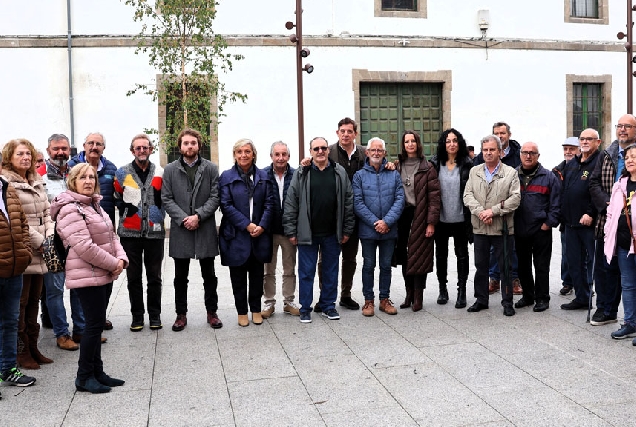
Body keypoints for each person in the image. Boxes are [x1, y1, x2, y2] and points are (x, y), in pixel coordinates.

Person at [51, 163, 128, 394]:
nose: (88, 181)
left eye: (92, 177)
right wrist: (114, 263)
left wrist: (122, 258)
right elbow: (84, 247)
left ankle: (98, 372)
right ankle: (83, 377)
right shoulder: (69, 209)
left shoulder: (94, 204)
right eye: (82, 177)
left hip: (103, 274)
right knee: (92, 328)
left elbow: (112, 235)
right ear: (73, 181)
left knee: (96, 326)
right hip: (87, 276)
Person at [283, 137, 354, 323]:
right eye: (316, 148)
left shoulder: (339, 172)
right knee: (306, 272)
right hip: (307, 233)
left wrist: (347, 229)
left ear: (328, 150)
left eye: (323, 148)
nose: (320, 151)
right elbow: (291, 203)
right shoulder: (302, 173)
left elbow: (348, 201)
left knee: (331, 271)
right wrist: (291, 231)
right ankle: (305, 308)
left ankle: (328, 306)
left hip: (332, 233)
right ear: (311, 151)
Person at [162, 128, 223, 331]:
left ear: (199, 145)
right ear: (180, 146)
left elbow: (215, 197)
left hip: (204, 227)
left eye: (193, 143)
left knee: (209, 275)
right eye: (186, 143)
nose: (190, 146)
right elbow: (166, 198)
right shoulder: (170, 170)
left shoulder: (211, 168)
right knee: (180, 276)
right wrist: (183, 219)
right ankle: (181, 314)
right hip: (181, 229)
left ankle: (212, 312)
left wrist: (198, 216)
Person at [1, 139, 54, 370]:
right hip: (23, 249)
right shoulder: (7, 183)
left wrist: (50, 236)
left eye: (28, 154)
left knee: (35, 300)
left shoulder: (37, 181)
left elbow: (48, 212)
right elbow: (18, 218)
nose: (26, 158)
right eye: (20, 154)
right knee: (20, 303)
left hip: (42, 250)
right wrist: (40, 241)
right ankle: (21, 352)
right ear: (9, 158)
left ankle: (33, 346)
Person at [463, 135, 520, 317]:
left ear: (500, 152)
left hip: (502, 228)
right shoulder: (475, 171)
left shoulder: (510, 172)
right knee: (481, 266)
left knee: (505, 267)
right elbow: (467, 195)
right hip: (480, 226)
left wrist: (493, 211)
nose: (488, 153)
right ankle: (481, 300)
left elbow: (515, 198)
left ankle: (507, 302)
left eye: (492, 150)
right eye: (485, 150)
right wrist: (480, 211)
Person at [219, 139, 274, 327]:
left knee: (258, 277)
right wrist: (247, 225)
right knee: (238, 278)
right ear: (235, 154)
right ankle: (242, 312)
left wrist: (262, 225)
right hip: (236, 236)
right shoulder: (226, 177)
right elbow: (225, 205)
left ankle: (256, 310)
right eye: (240, 151)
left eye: (247, 151)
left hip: (259, 235)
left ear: (253, 154)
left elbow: (270, 203)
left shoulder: (263, 176)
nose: (243, 155)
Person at [114, 134, 166, 332]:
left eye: (145, 147)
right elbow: (118, 196)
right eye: (138, 148)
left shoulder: (161, 172)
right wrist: (129, 214)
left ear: (151, 149)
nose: (142, 151)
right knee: (133, 277)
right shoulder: (122, 173)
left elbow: (166, 197)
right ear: (132, 151)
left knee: (154, 276)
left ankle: (155, 315)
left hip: (155, 232)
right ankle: (137, 316)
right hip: (130, 233)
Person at [68, 132, 117, 331]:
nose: (94, 147)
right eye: (91, 143)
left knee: (106, 277)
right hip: (80, 229)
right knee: (82, 278)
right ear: (84, 145)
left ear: (103, 147)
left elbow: (117, 197)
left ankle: (98, 317)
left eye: (98, 144)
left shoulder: (112, 168)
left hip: (104, 229)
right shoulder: (72, 166)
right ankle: (82, 325)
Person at [589, 115, 636, 326]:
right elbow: (593, 182)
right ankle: (607, 309)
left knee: (626, 274)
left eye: (627, 126)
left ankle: (630, 318)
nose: (622, 130)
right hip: (608, 221)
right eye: (619, 126)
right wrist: (607, 203)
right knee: (605, 267)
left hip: (632, 223)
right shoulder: (606, 153)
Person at [41, 134, 84, 351]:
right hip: (53, 241)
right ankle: (61, 334)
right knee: (55, 290)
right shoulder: (40, 176)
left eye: (64, 149)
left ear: (70, 150)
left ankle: (80, 331)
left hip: (76, 239)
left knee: (77, 286)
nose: (61, 152)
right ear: (48, 150)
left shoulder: (75, 173)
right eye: (56, 148)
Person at [353, 137, 404, 316]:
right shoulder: (359, 175)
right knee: (368, 265)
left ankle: (384, 299)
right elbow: (357, 203)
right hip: (368, 231)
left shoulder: (393, 174)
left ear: (384, 153)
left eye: (379, 150)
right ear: (367, 153)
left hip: (389, 230)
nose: (376, 153)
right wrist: (376, 222)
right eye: (373, 150)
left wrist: (387, 222)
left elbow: (400, 199)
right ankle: (368, 301)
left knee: (385, 266)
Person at [0, 151, 36, 394]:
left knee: (10, 322)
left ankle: (8, 369)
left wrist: (23, 250)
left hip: (13, 268)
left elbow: (22, 223)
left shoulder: (6, 187)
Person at [474, 122, 522, 295]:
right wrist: (482, 211)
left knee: (509, 250)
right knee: (491, 252)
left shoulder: (518, 153)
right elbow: (472, 188)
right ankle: (494, 279)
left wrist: (494, 210)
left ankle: (513, 280)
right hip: (484, 216)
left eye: (503, 133)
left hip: (507, 213)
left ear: (509, 134)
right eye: (497, 133)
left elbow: (516, 192)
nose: (500, 135)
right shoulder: (481, 157)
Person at [394, 131, 441, 312]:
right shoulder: (398, 166)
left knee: (420, 255)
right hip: (402, 215)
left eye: (413, 141)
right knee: (405, 255)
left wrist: (431, 222)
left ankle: (418, 295)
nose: (410, 144)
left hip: (420, 214)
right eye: (407, 141)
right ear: (403, 145)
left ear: (418, 144)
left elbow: (435, 197)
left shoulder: (427, 167)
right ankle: (408, 294)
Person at [513, 142, 561, 312]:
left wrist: (548, 224)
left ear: (538, 156)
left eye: (532, 153)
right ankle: (528, 296)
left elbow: (556, 204)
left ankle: (542, 298)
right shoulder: (513, 176)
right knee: (522, 265)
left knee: (541, 266)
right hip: (519, 229)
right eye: (525, 152)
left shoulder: (548, 177)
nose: (528, 156)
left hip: (541, 230)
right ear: (520, 155)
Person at [430, 128, 473, 309]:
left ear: (460, 143)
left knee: (462, 255)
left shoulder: (467, 164)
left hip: (461, 218)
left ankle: (461, 291)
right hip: (440, 219)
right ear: (443, 144)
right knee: (441, 255)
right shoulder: (435, 163)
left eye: (455, 141)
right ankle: (442, 289)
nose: (452, 144)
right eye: (448, 141)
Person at [560, 128, 601, 311]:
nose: (584, 142)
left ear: (597, 142)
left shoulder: (600, 162)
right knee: (574, 261)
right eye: (582, 139)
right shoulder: (572, 163)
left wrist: (591, 212)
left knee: (594, 262)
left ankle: (601, 301)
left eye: (589, 139)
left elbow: (601, 191)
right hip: (570, 221)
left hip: (588, 222)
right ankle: (582, 297)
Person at [261, 141, 299, 318]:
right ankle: (269, 302)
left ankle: (289, 301)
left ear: (288, 156)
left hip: (289, 231)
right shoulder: (263, 175)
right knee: (268, 270)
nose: (281, 158)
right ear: (271, 156)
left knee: (289, 268)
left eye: (284, 154)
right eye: (277, 154)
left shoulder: (297, 175)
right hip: (268, 232)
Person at [604, 144, 636, 341]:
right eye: (628, 156)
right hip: (624, 244)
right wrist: (609, 233)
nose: (630, 159)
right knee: (628, 285)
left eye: (635, 156)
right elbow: (612, 213)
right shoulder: (620, 184)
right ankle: (631, 323)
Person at [553, 137, 589, 296]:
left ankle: (586, 284)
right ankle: (568, 282)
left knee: (585, 255)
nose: (568, 152)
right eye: (566, 149)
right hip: (565, 218)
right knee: (567, 252)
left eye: (571, 149)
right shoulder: (558, 170)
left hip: (583, 218)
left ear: (579, 151)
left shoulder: (586, 168)